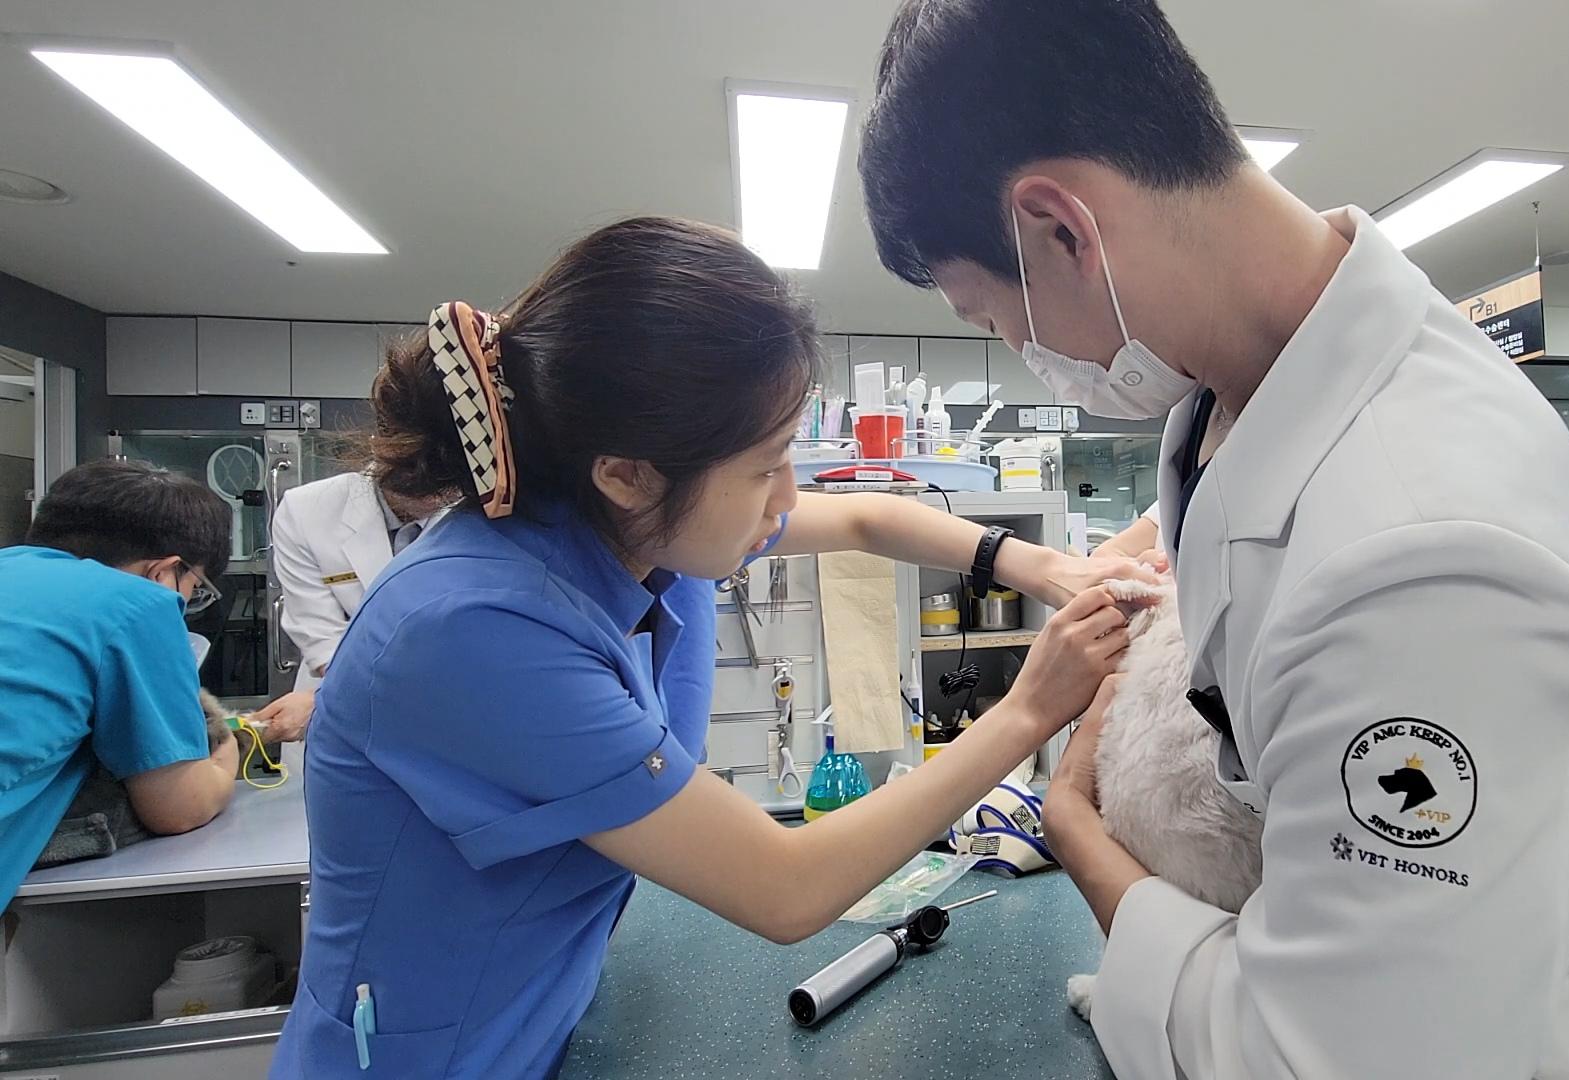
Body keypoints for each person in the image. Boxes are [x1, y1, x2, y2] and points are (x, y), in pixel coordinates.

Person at [859, 1, 1569, 1076]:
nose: (1016, 348)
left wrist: (1080, 831)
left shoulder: (1432, 547)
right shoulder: (1232, 401)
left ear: (1062, 229)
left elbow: (1340, 1058)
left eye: (988, 317)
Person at [272, 217, 1150, 1078]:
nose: (786, 497)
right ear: (624, 471)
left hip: (548, 1017)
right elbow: (786, 888)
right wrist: (1029, 709)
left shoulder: (640, 526)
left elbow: (866, 516)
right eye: (766, 465)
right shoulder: (472, 632)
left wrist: (1033, 563)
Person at [0, 460, 241, 908]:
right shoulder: (140, 602)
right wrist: (225, 756)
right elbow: (179, 807)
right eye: (196, 586)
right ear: (164, 573)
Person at [249, 471, 450, 744]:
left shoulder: (478, 514)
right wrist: (333, 702)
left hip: (442, 708)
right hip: (336, 699)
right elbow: (322, 639)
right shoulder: (309, 508)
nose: (437, 498)